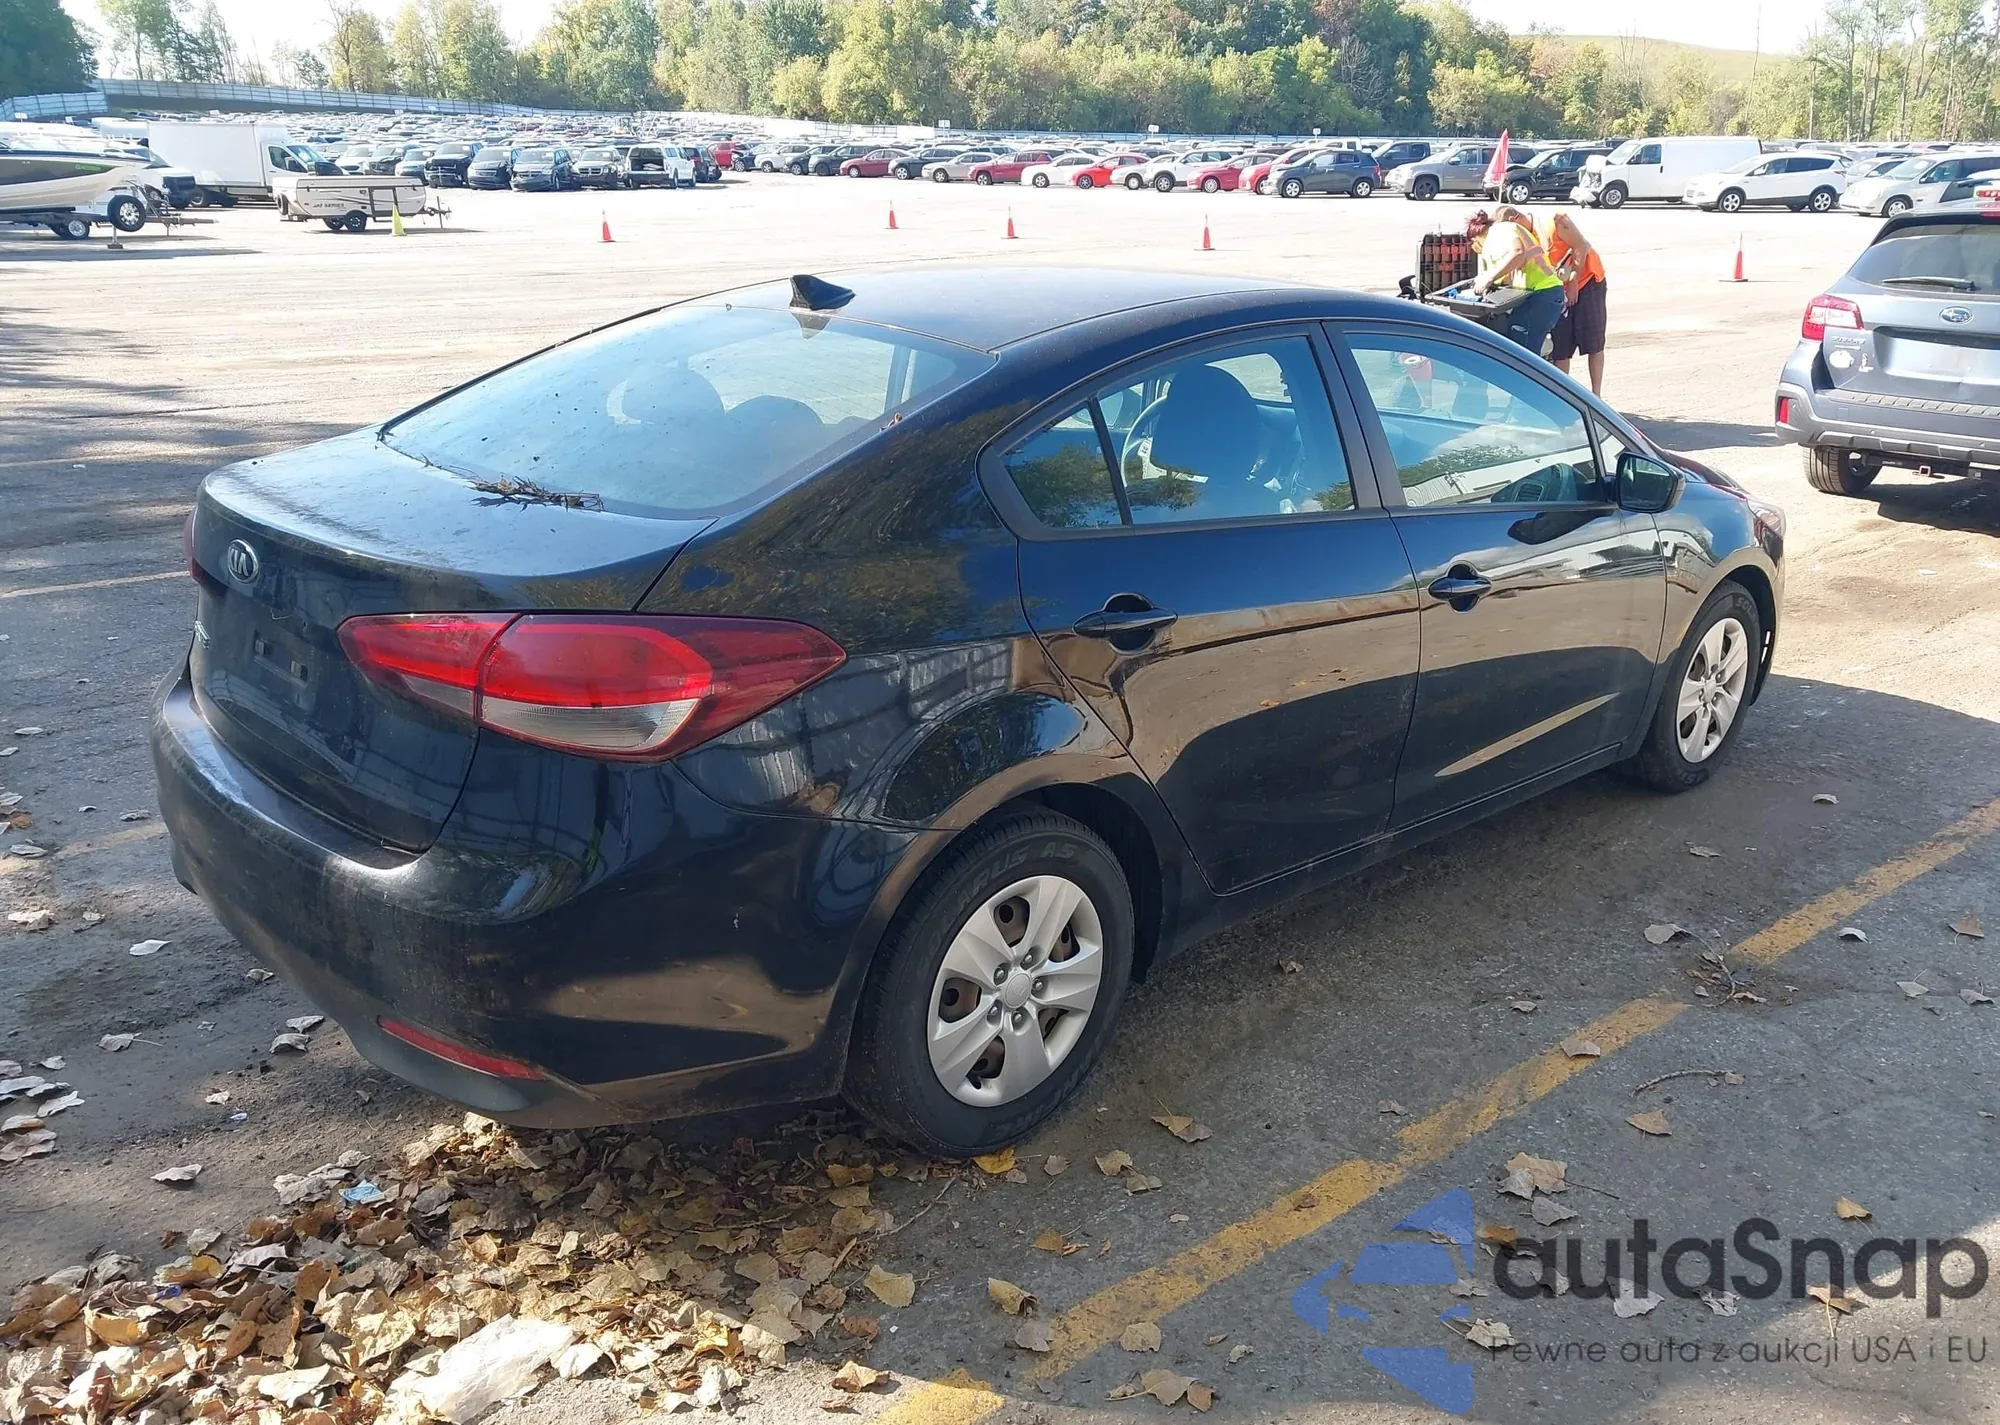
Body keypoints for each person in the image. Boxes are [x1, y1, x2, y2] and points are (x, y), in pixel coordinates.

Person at [1466, 207, 1564, 358]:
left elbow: (1517, 252)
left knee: (1524, 354)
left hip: (1543, 293)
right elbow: (1506, 271)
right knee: (1517, 341)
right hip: (1539, 294)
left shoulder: (1500, 229)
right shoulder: (1499, 237)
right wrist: (1486, 278)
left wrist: (1488, 278)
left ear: (1475, 240)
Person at [1541, 209, 1608, 395]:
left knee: (1594, 342)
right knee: (1561, 346)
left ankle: (1596, 396)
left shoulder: (1556, 220)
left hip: (1588, 282)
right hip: (1558, 287)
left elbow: (1582, 245)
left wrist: (1573, 283)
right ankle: (1563, 396)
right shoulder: (1525, 235)